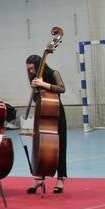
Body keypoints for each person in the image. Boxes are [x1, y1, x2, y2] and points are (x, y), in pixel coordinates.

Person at [26, 53, 67, 194]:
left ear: (39, 66)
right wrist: (34, 89)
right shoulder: (33, 77)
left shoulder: (53, 73)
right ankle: (39, 177)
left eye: (32, 68)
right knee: (40, 145)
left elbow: (62, 88)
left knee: (60, 145)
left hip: (56, 111)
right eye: (29, 69)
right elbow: (36, 99)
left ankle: (60, 178)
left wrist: (43, 84)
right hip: (42, 111)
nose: (31, 71)